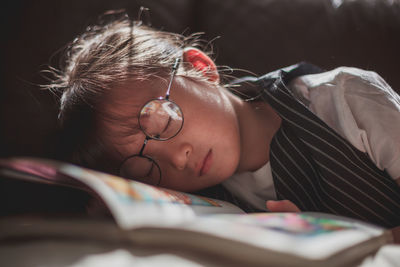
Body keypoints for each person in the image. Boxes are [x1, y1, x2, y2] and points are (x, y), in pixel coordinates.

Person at [46, 11, 400, 228]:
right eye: (146, 168)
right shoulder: (208, 206)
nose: (177, 159)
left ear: (201, 68)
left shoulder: (344, 97)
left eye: (165, 121)